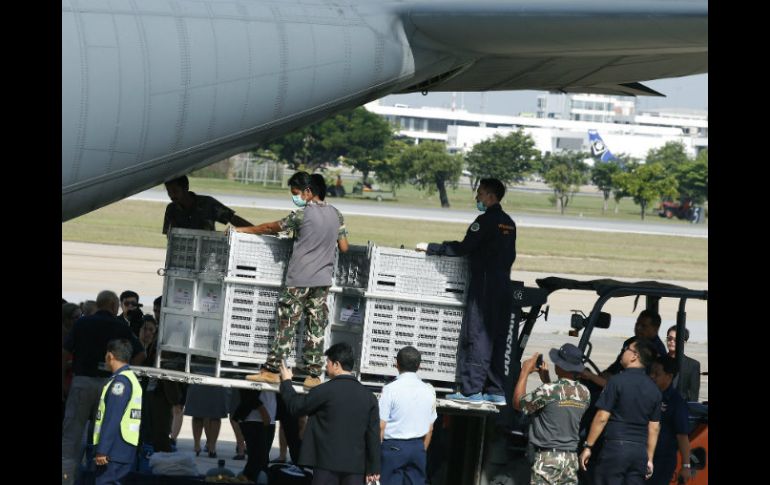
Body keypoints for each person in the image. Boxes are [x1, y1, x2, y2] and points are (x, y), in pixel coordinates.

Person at [239, 171, 349, 388]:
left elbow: (271, 227)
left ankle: (272, 370)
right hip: (322, 280)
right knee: (315, 327)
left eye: (296, 193)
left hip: (299, 279)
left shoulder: (302, 214)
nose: (295, 197)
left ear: (308, 192)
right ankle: (314, 375)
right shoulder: (337, 214)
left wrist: (243, 229)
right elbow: (344, 247)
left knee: (287, 324)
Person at [421, 178, 516, 404]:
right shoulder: (509, 223)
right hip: (504, 283)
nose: (477, 198)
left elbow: (463, 248)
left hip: (484, 284)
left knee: (477, 335)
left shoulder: (484, 221)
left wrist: (434, 248)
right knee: (497, 337)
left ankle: (471, 390)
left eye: (481, 194)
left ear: (491, 196)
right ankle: (495, 389)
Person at [62, 290, 146, 484]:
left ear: (99, 304)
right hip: (109, 383)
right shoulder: (120, 326)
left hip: (82, 382)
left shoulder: (82, 322)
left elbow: (64, 352)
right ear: (113, 305)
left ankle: (66, 478)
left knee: (72, 438)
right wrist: (124, 371)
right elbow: (140, 354)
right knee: (105, 432)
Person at [279, 342, 380, 485]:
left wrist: (286, 382)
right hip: (356, 468)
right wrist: (374, 468)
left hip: (325, 465)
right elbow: (373, 435)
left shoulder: (324, 390)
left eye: (328, 362)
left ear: (336, 364)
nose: (326, 366)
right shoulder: (369, 397)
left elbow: (295, 407)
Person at [579, 338, 662, 485]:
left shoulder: (616, 382)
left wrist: (588, 446)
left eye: (626, 349)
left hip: (615, 449)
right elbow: (654, 428)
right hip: (639, 453)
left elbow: (602, 417)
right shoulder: (654, 390)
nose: (623, 353)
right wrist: (649, 458)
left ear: (634, 356)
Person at [513, 345, 591, 485]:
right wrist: (547, 381)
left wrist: (524, 372)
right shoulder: (585, 393)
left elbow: (518, 404)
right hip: (570, 459)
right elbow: (560, 403)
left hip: (547, 458)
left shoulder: (548, 391)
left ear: (560, 366)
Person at [379, 346, 438, 485]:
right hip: (418, 447)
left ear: (397, 364)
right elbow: (430, 428)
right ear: (419, 366)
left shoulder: (390, 389)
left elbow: (381, 426)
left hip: (393, 448)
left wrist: (376, 457)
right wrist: (421, 449)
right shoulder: (429, 390)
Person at [93, 339, 143, 485]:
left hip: (113, 450)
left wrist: (103, 449)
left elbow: (112, 417)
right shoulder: (130, 378)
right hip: (122, 448)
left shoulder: (120, 383)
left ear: (110, 356)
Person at [580, 309, 667, 388]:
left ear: (655, 329)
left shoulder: (655, 352)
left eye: (643, 326)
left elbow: (637, 382)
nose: (638, 328)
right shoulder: (631, 342)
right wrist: (604, 375)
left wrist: (596, 378)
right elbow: (617, 366)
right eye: (637, 324)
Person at [648, 355, 692, 485]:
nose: (652, 376)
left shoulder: (676, 402)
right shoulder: (648, 395)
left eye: (657, 374)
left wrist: (686, 466)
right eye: (651, 373)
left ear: (669, 376)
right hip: (643, 456)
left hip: (662, 460)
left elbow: (682, 436)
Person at [162, 175, 252, 235]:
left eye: (175, 191)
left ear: (186, 188)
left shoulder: (207, 203)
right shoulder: (171, 209)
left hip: (207, 255)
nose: (171, 195)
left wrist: (255, 230)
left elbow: (232, 218)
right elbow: (170, 236)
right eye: (168, 191)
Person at [232, 389, 278, 483]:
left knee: (262, 461)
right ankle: (247, 479)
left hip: (269, 417)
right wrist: (262, 410)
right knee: (257, 461)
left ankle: (248, 479)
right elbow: (246, 391)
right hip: (254, 418)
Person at [666, 325, 701, 402]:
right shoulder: (658, 361)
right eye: (669, 338)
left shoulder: (693, 365)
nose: (671, 341)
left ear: (684, 343)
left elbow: (693, 394)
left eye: (676, 340)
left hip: (681, 408)